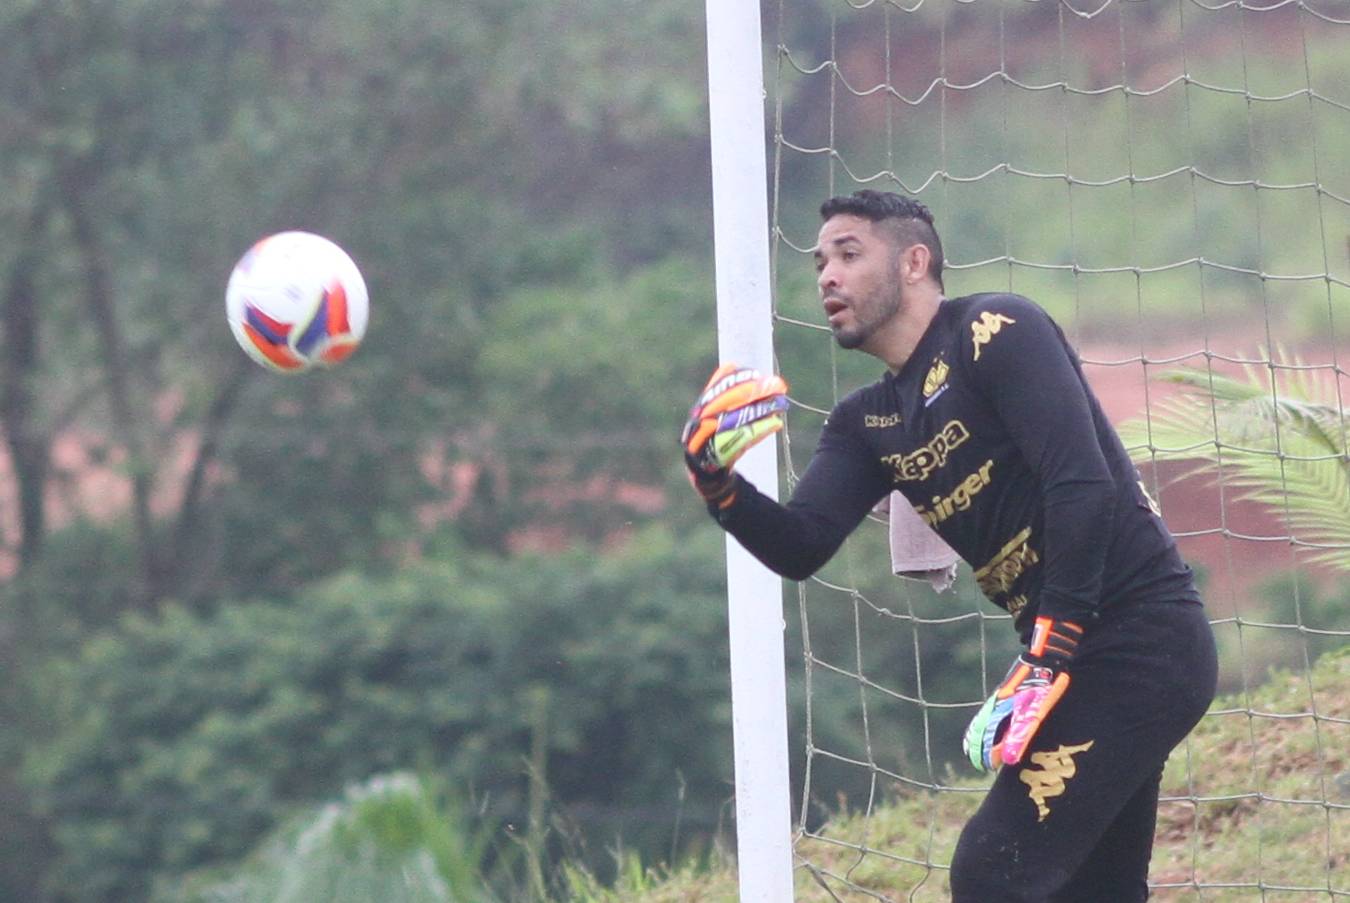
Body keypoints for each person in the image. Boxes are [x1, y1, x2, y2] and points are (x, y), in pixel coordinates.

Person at [681, 190, 1218, 902]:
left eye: (847, 253)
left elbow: (1082, 483)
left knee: (993, 872)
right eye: (819, 263)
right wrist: (718, 486)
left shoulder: (996, 329)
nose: (826, 278)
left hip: (1140, 641)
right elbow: (800, 545)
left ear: (914, 261)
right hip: (1071, 658)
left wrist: (1049, 647)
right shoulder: (864, 420)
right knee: (1091, 890)